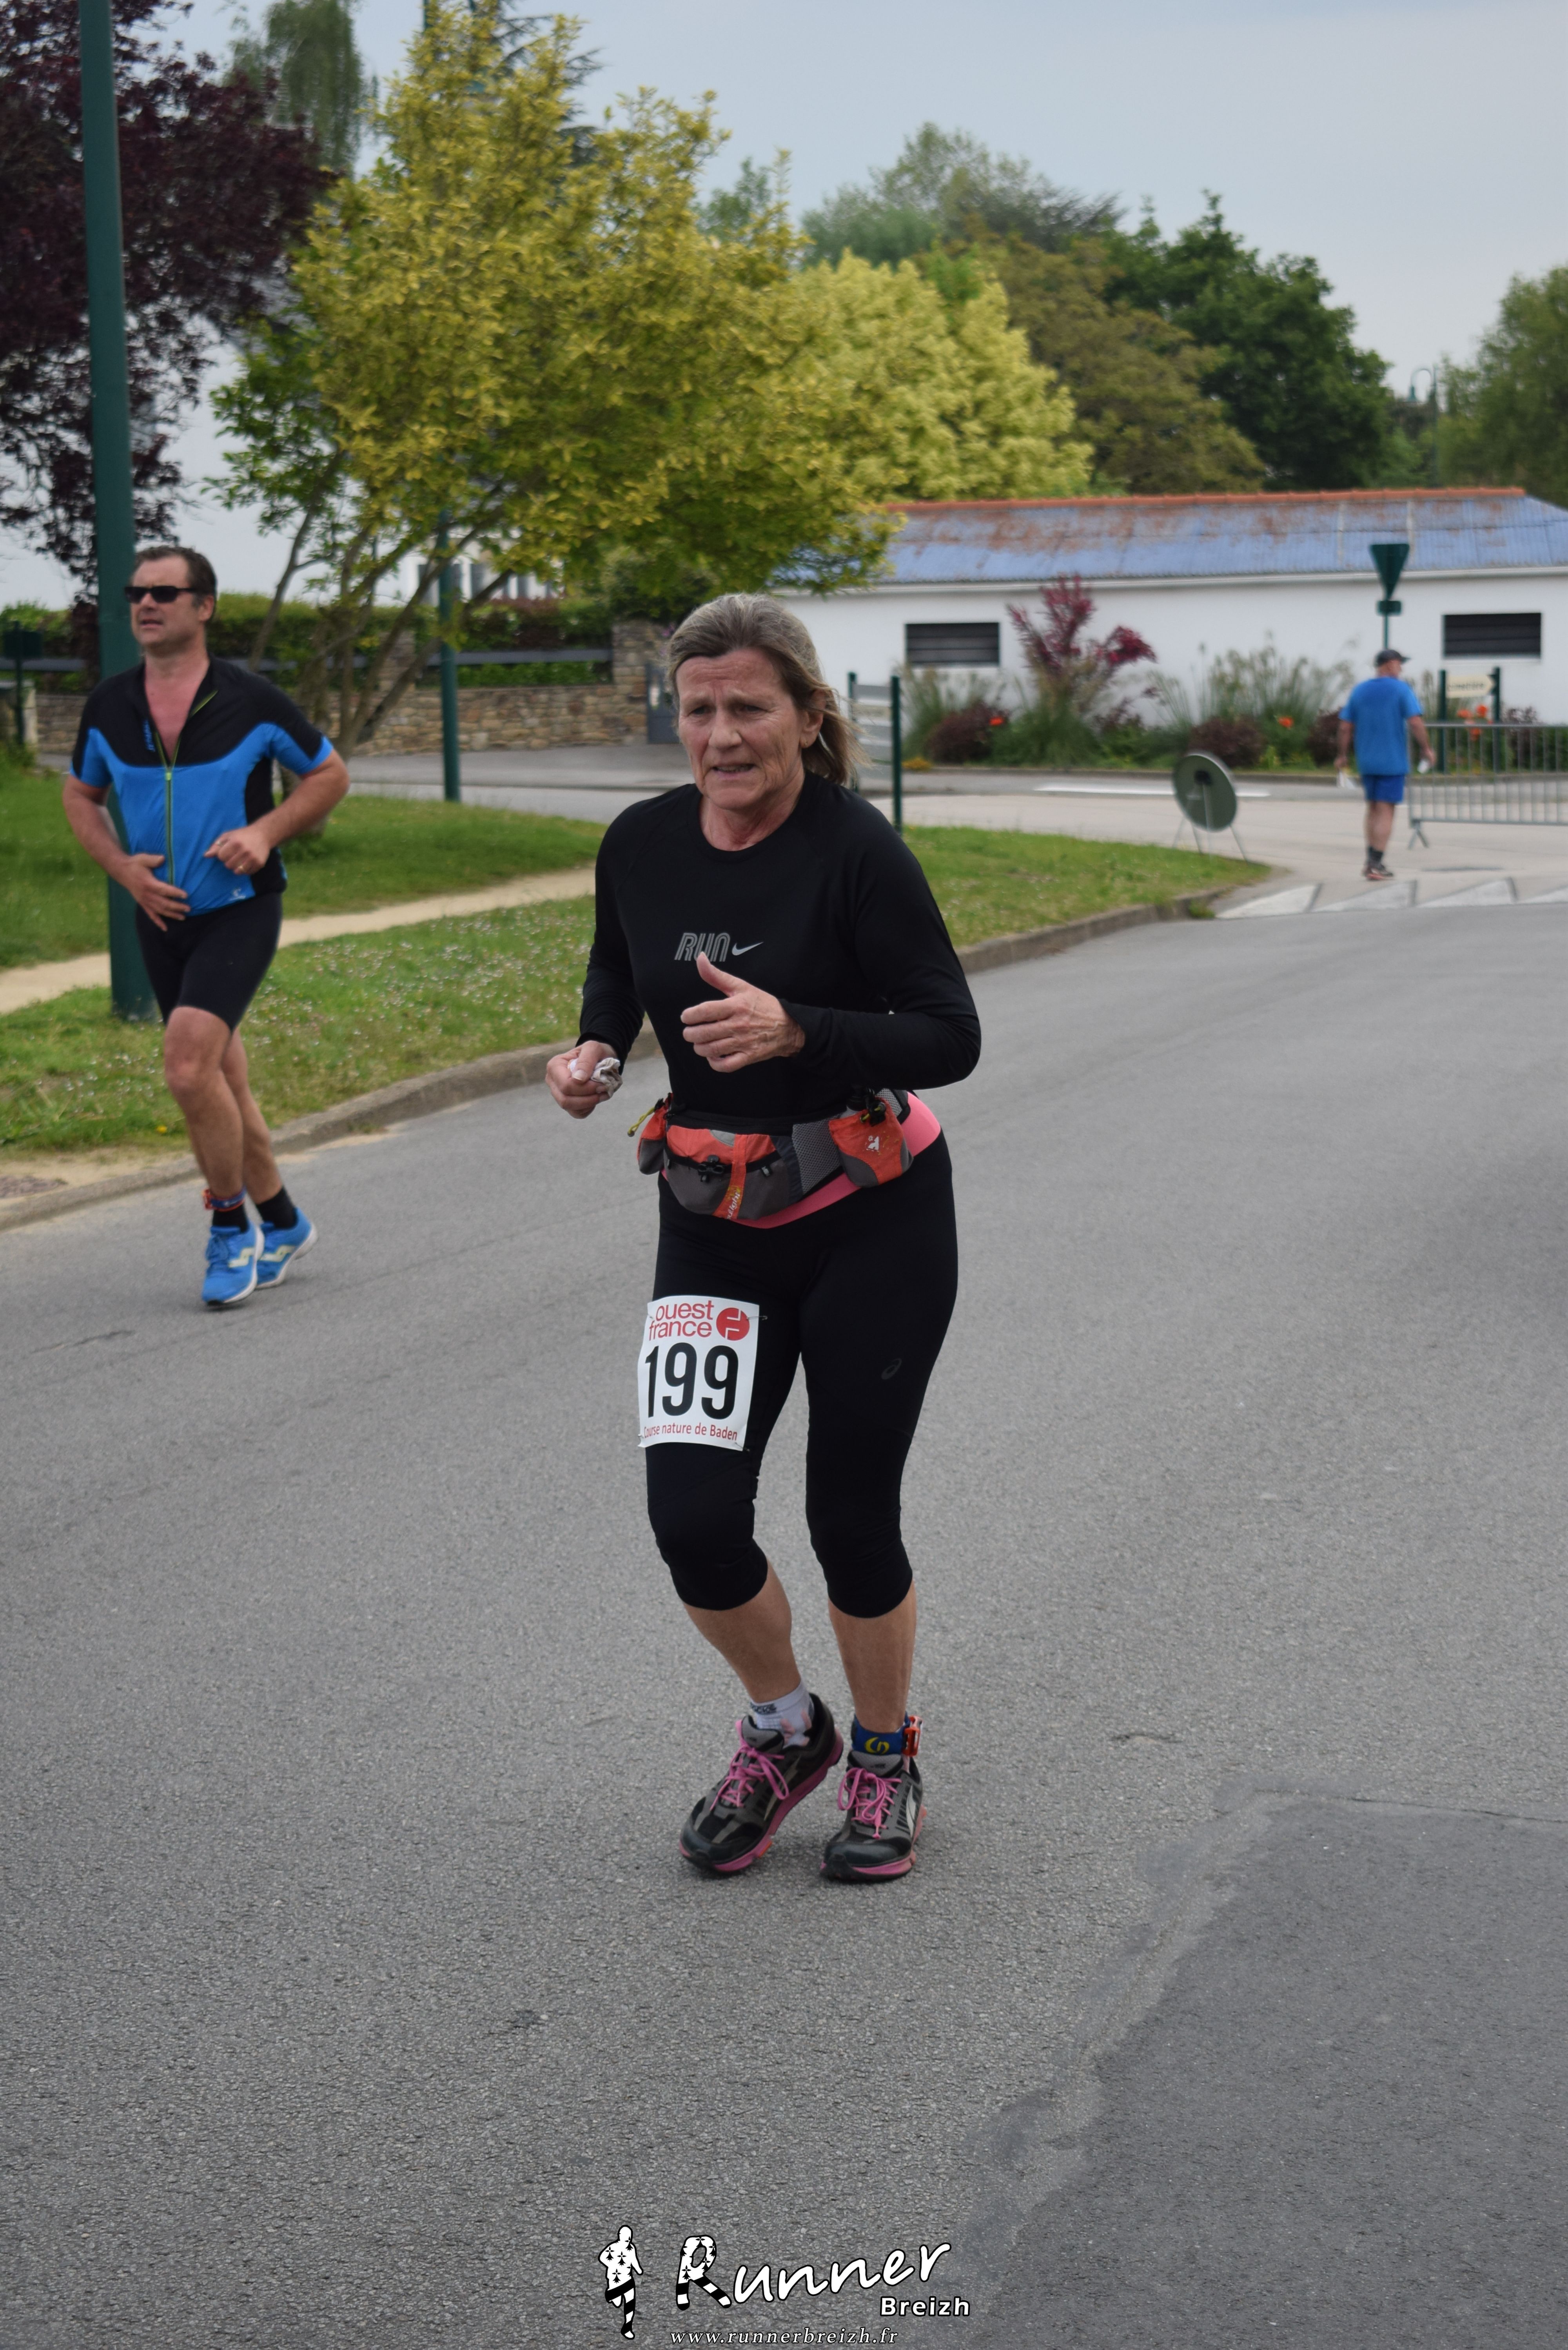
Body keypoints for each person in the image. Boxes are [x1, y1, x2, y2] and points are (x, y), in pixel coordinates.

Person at [546, 595, 980, 1882]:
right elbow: (619, 973)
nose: (722, 735)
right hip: (714, 1223)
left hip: (872, 1217)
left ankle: (885, 1754)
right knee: (690, 1516)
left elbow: (948, 1033)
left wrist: (802, 1029)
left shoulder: (856, 850)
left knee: (850, 1510)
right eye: (700, 710)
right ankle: (788, 1730)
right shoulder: (640, 841)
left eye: (749, 708)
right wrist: (593, 1052)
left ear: (806, 715)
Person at [62, 546, 349, 1307]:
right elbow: (80, 795)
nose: (146, 604)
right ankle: (282, 1222)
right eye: (137, 592)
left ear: (204, 606)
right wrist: (123, 870)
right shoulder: (110, 705)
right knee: (222, 1080)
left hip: (240, 909)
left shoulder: (250, 700)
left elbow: (329, 774)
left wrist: (265, 833)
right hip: (160, 915)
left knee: (189, 1068)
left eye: (164, 592)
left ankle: (229, 1227)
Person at [1336, 648, 1433, 882]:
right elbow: (1415, 722)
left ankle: (1370, 860)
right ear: (1389, 665)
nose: (1401, 669)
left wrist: (1342, 755)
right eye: (1400, 664)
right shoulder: (1401, 689)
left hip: (1367, 761)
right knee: (1386, 810)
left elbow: (1345, 727)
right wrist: (1426, 748)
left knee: (1372, 809)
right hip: (1393, 761)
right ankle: (1376, 864)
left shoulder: (1360, 690)